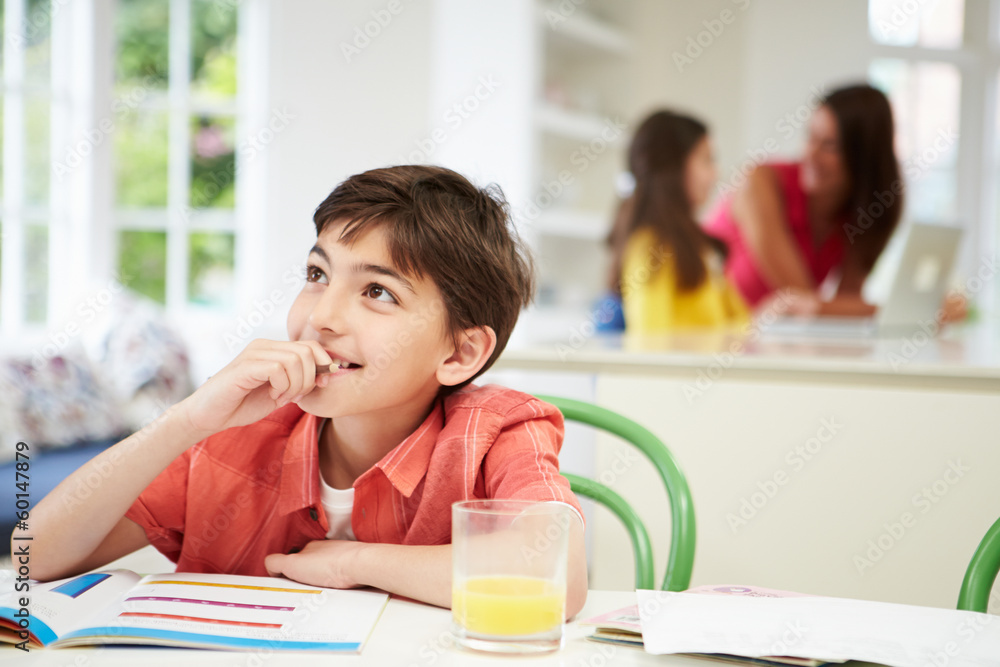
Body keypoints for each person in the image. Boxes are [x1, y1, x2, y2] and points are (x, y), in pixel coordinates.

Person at [22, 166, 588, 618]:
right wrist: (187, 420)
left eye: (377, 292)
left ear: (460, 353)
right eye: (318, 275)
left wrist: (356, 563)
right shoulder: (233, 433)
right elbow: (30, 558)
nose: (322, 315)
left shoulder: (497, 430)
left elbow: (553, 576)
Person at [705, 83, 964, 320]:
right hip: (713, 342)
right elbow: (803, 301)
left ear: (864, 158)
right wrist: (917, 315)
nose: (810, 154)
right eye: (810, 137)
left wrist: (912, 314)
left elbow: (842, 305)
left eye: (829, 145)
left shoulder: (865, 212)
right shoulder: (759, 184)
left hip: (774, 346)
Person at [605, 110, 750, 333]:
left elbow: (739, 324)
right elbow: (650, 345)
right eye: (706, 160)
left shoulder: (695, 247)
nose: (715, 174)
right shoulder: (651, 247)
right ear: (673, 168)